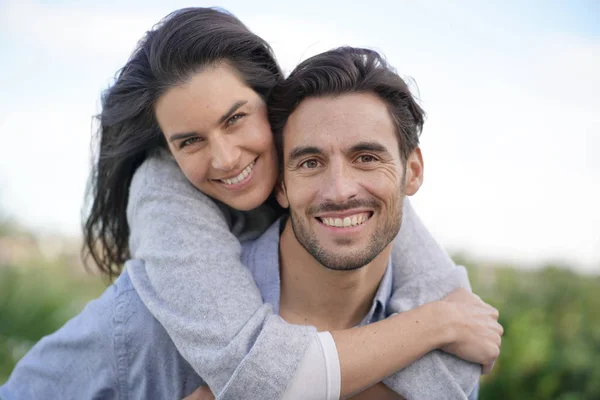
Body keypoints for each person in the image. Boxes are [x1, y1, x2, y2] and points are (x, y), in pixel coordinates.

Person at [0, 8, 501, 399]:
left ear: (272, 102)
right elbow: (261, 378)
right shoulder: (164, 198)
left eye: (236, 118)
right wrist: (438, 326)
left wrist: (451, 322)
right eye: (189, 141)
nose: (223, 157)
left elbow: (458, 329)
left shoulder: (343, 179)